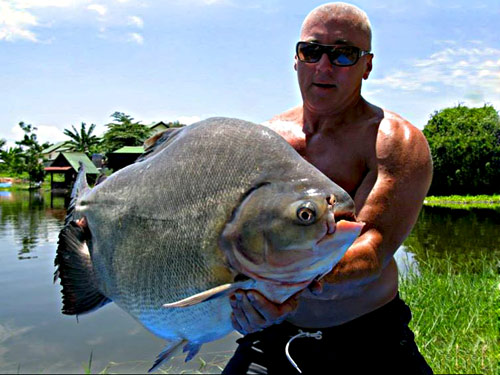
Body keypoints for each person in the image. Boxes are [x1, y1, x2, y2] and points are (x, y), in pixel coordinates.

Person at [222, 2, 433, 374]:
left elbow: (371, 250)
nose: (323, 66)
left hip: (370, 341)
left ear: (367, 65)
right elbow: (222, 237)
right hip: (272, 336)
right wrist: (243, 300)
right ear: (296, 58)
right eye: (312, 50)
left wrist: (284, 285)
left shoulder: (393, 141)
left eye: (343, 54)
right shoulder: (263, 141)